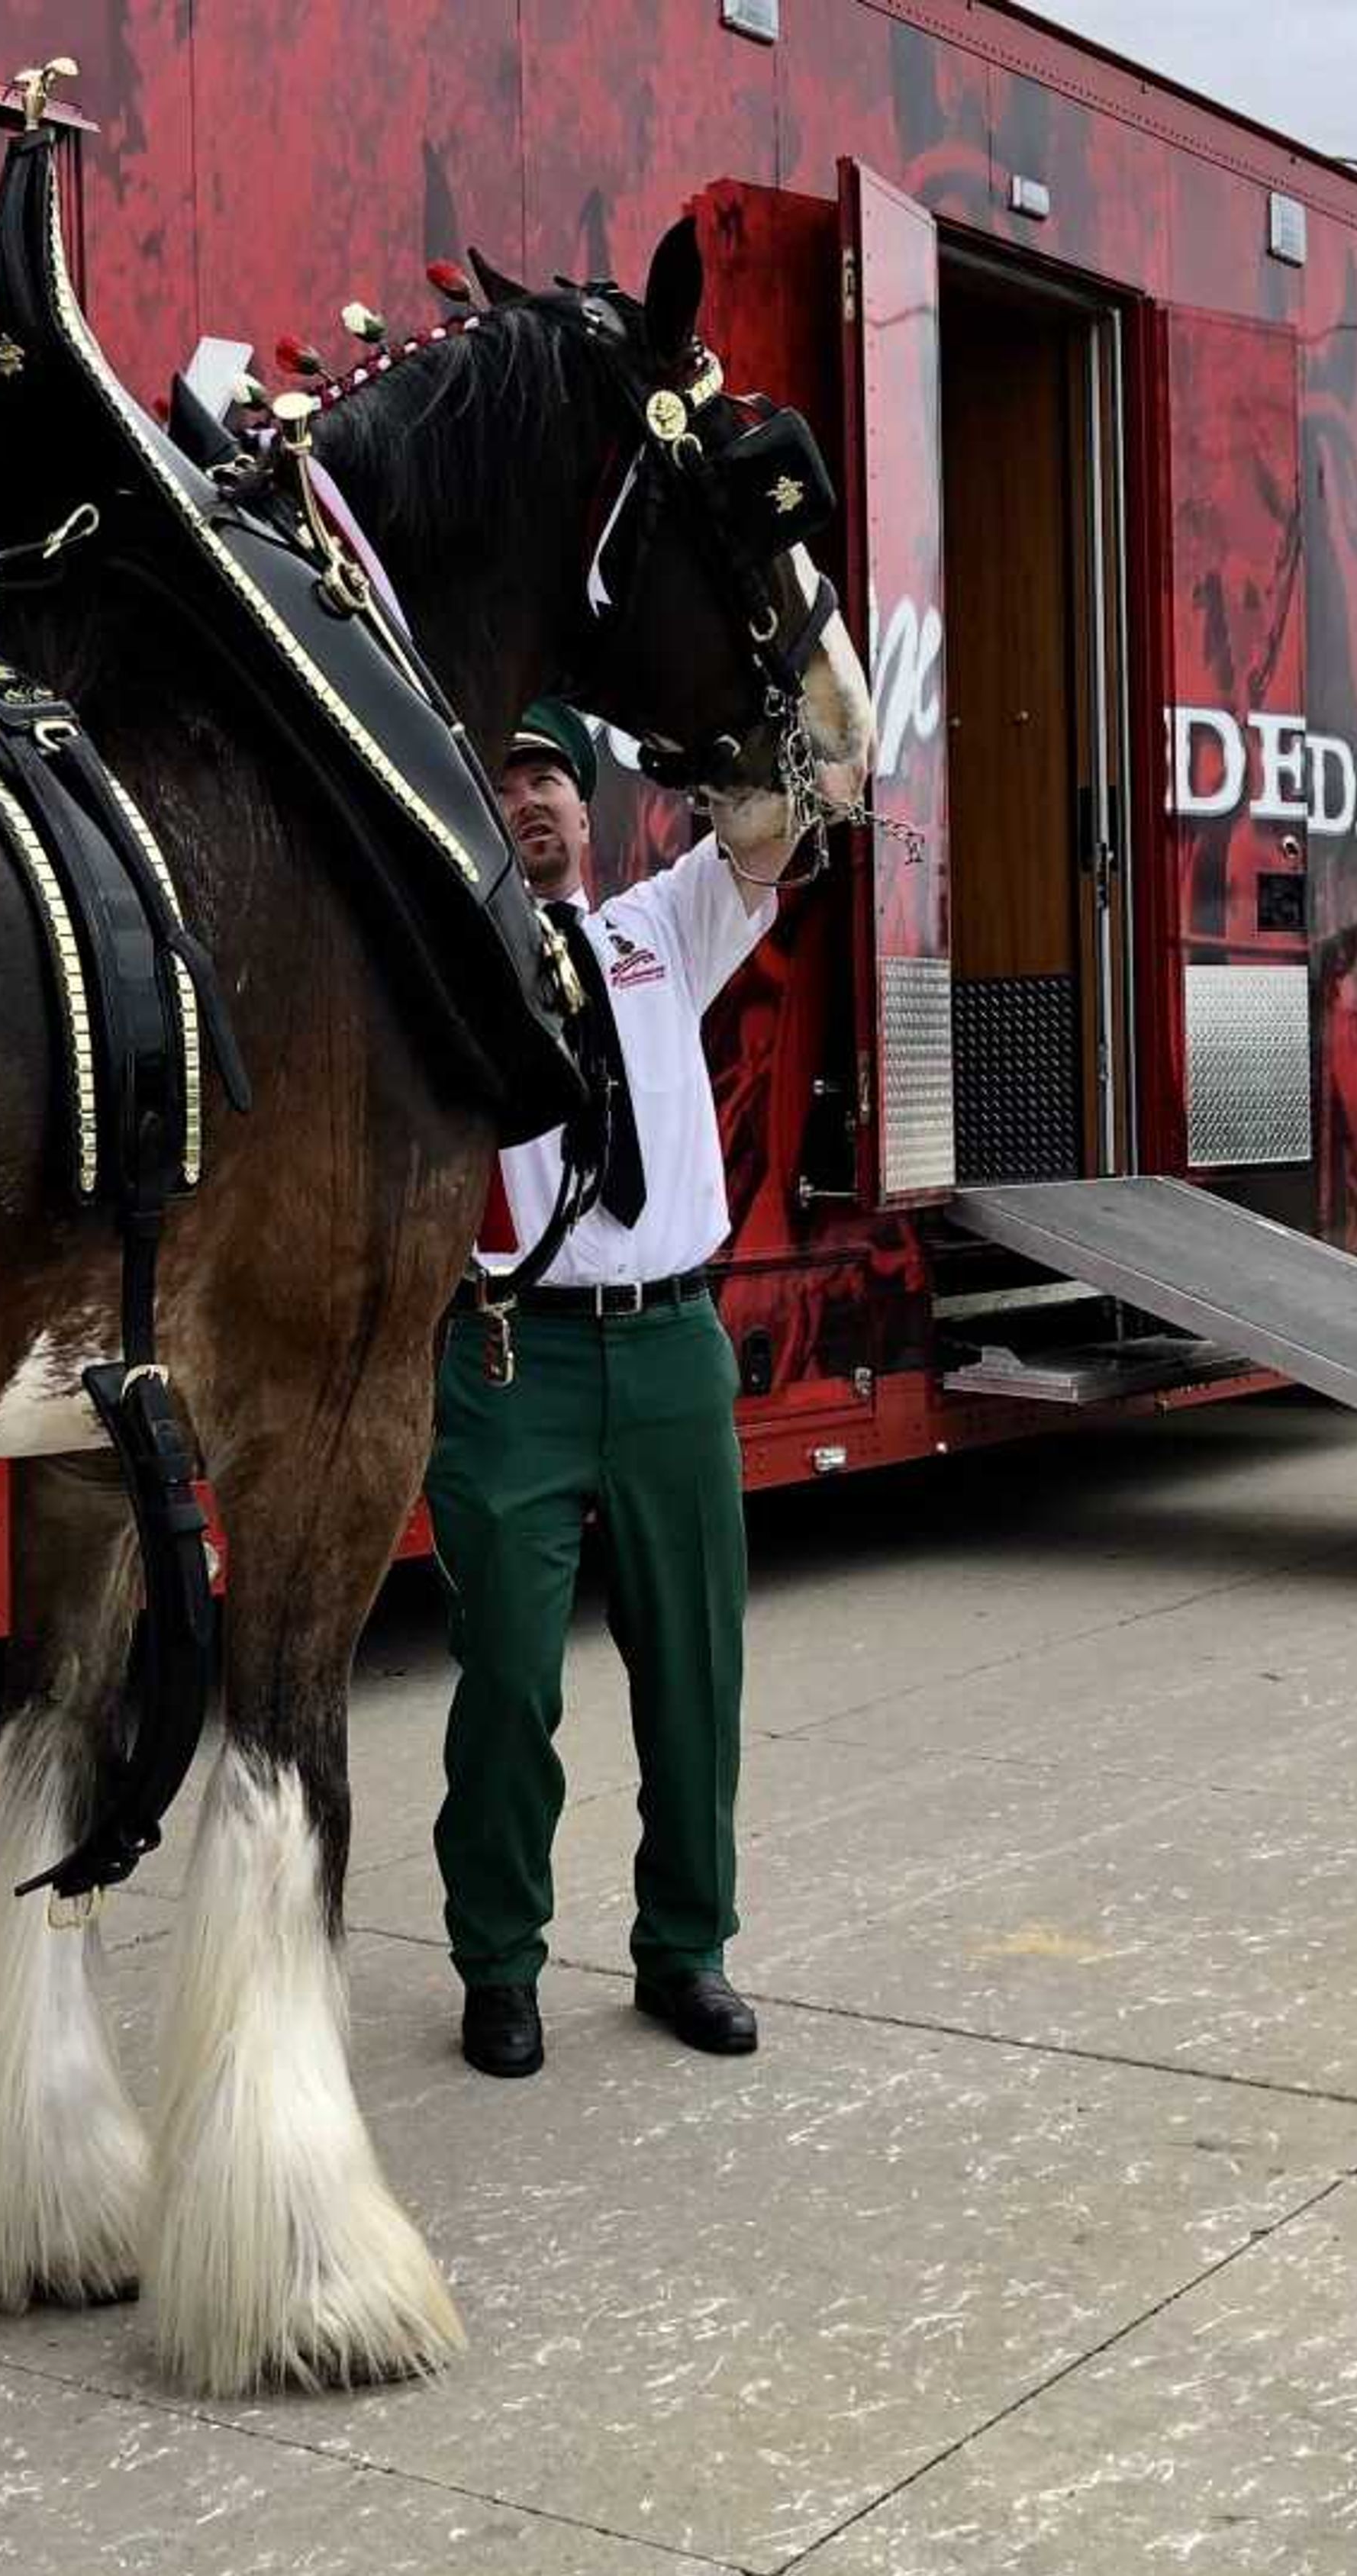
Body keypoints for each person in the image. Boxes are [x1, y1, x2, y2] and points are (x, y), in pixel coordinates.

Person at [427, 700, 804, 2080]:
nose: (531, 801)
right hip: (513, 1358)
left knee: (696, 1670)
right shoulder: (454, 958)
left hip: (669, 1351)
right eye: (506, 782)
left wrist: (749, 743)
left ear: (591, 810)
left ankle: (686, 1952)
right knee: (510, 1682)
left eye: (549, 781)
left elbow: (768, 834)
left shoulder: (661, 928)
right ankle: (499, 1966)